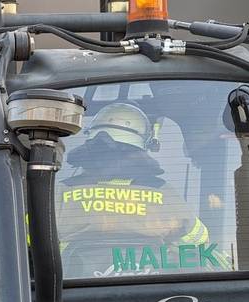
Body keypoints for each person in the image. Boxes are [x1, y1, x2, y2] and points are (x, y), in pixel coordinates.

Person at [55, 103, 228, 277]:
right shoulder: (163, 193)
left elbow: (40, 243)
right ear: (142, 147)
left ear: (91, 145)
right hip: (152, 290)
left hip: (71, 290)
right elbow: (198, 243)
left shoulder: (62, 192)